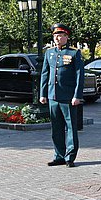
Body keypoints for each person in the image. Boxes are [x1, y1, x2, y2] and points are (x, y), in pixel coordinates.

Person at [40, 23, 84, 167]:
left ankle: (70, 156)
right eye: (55, 35)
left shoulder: (74, 52)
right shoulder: (49, 52)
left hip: (68, 97)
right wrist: (43, 93)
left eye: (60, 35)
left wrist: (77, 95)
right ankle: (58, 155)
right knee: (56, 128)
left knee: (71, 127)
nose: (57, 38)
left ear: (66, 36)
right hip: (53, 96)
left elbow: (79, 75)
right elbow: (45, 74)